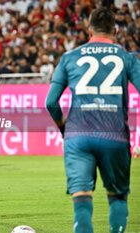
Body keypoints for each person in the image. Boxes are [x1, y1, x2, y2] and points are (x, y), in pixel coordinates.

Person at [46, 7, 140, 233]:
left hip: (78, 136)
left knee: (82, 198)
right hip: (114, 135)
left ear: (89, 30)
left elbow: (51, 102)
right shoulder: (127, 58)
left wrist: (63, 127)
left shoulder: (70, 57)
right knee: (117, 196)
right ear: (115, 30)